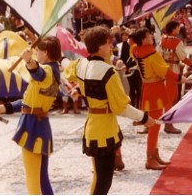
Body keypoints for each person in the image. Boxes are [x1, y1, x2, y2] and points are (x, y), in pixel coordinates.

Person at [64, 26, 156, 194]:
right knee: (103, 181)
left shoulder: (80, 65)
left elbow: (67, 70)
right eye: (108, 43)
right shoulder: (108, 72)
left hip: (93, 124)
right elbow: (120, 107)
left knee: (100, 178)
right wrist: (144, 117)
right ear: (99, 46)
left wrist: (74, 87)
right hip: (104, 129)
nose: (111, 46)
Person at [0, 36, 62, 195]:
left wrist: (28, 61)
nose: (36, 53)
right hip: (38, 124)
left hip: (33, 126)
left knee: (33, 179)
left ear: (45, 53)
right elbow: (27, 101)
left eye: (38, 51)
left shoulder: (47, 70)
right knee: (41, 178)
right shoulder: (52, 70)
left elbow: (38, 74)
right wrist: (2, 108)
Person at [130, 27, 180, 171]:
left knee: (155, 124)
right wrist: (178, 77)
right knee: (155, 125)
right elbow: (163, 71)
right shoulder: (151, 53)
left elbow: (131, 42)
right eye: (148, 35)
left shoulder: (136, 50)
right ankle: (150, 158)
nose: (151, 36)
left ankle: (154, 154)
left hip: (147, 87)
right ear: (144, 39)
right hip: (155, 89)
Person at [160, 20, 192, 134]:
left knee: (168, 97)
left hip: (164, 68)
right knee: (171, 98)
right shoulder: (177, 42)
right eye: (177, 27)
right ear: (173, 29)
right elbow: (183, 58)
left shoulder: (163, 39)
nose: (179, 29)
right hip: (173, 70)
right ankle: (168, 124)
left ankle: (168, 122)